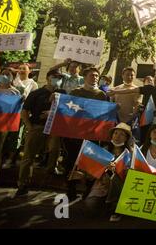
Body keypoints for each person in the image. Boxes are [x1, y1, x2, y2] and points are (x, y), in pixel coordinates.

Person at [14, 69, 65, 197]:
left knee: (54, 151)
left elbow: (68, 112)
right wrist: (30, 127)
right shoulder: (36, 93)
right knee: (28, 157)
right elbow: (25, 111)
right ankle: (22, 184)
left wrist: (52, 112)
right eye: (54, 77)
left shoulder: (63, 94)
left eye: (59, 77)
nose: (57, 79)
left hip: (55, 129)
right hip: (37, 127)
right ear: (48, 78)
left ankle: (50, 173)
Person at [64, 67, 108, 201]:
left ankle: (88, 190)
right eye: (92, 75)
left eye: (96, 76)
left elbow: (104, 114)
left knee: (90, 163)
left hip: (92, 135)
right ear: (85, 77)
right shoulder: (76, 92)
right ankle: (71, 189)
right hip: (75, 134)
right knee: (71, 161)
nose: (94, 78)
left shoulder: (101, 95)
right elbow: (66, 108)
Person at [84, 123, 132, 222]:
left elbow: (131, 174)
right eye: (115, 133)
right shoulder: (103, 151)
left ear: (126, 138)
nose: (117, 136)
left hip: (120, 188)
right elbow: (93, 172)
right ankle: (106, 205)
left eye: (122, 134)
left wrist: (117, 170)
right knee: (90, 207)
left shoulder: (130, 154)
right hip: (102, 185)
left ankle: (115, 207)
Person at [0, 68, 21, 182]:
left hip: (0, 127)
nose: (5, 76)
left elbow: (15, 112)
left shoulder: (15, 92)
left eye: (8, 74)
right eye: (3, 74)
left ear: (13, 77)